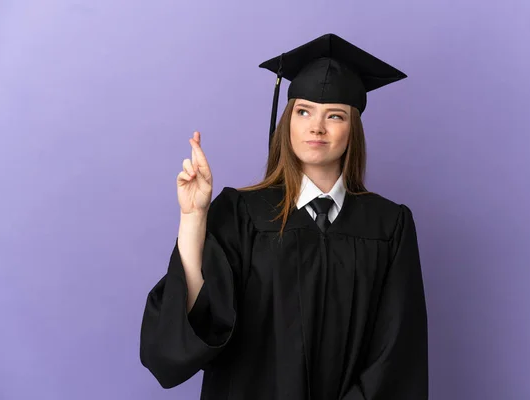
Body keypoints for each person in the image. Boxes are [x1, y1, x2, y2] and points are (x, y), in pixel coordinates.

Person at [139, 33, 428, 400]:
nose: (316, 127)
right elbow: (201, 321)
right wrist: (194, 217)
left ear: (352, 128)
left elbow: (396, 351)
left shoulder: (389, 226)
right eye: (304, 111)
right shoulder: (243, 213)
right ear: (287, 120)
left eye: (334, 116)